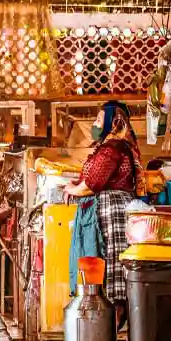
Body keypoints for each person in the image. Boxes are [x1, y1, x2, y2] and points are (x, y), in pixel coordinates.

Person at [63, 100, 145, 321]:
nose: (94, 124)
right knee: (108, 269)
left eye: (99, 119)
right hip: (115, 210)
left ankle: (109, 331)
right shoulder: (117, 145)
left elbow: (92, 183)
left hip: (112, 214)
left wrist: (73, 188)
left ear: (112, 122)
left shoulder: (112, 148)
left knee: (112, 273)